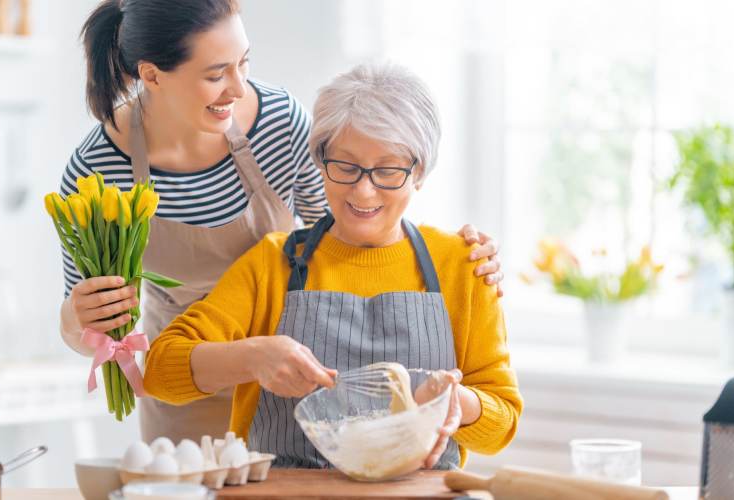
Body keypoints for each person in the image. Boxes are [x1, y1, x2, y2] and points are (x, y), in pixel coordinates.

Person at [59, 0, 505, 444]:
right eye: (216, 74)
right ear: (152, 75)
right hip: (187, 383)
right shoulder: (97, 173)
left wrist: (451, 256)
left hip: (293, 382)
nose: (238, 88)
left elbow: (349, 227)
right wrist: (85, 319)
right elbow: (92, 333)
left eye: (244, 63)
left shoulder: (278, 123)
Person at [144, 62, 522, 469]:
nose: (363, 190)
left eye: (388, 170)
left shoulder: (463, 266)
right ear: (320, 161)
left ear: (420, 174)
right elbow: (160, 370)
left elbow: (502, 423)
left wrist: (455, 403)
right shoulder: (275, 263)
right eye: (345, 165)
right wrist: (252, 357)